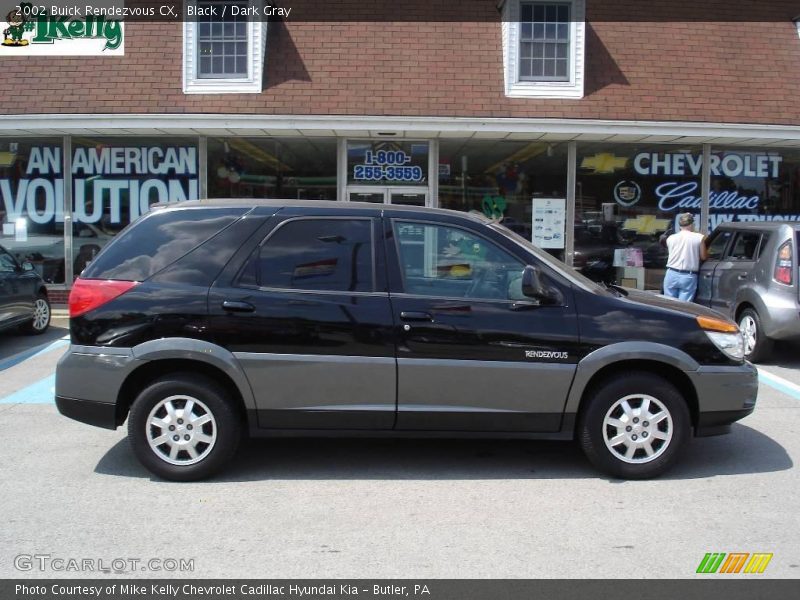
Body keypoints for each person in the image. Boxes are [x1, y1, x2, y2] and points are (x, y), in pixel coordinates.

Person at [662, 213, 707, 301]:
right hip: (688, 275)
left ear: (680, 225)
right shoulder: (699, 238)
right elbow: (703, 257)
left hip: (671, 273)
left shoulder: (671, 238)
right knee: (684, 308)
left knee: (669, 305)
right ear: (691, 224)